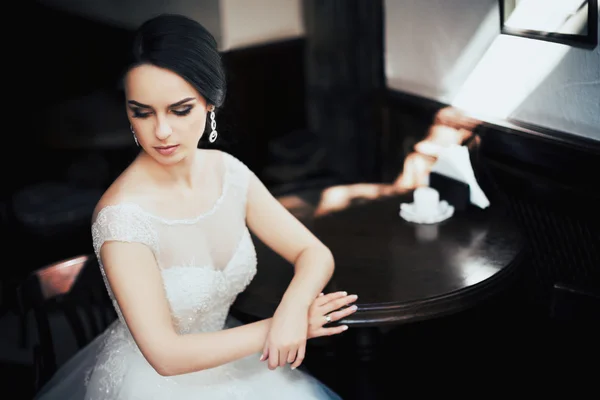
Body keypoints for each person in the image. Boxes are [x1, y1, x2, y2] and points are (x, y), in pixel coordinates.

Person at [34, 13, 358, 400]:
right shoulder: (121, 218)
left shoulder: (230, 172)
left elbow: (313, 252)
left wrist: (292, 309)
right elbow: (166, 357)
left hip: (231, 357)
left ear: (210, 103)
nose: (162, 131)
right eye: (142, 112)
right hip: (155, 384)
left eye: (179, 109)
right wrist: (285, 327)